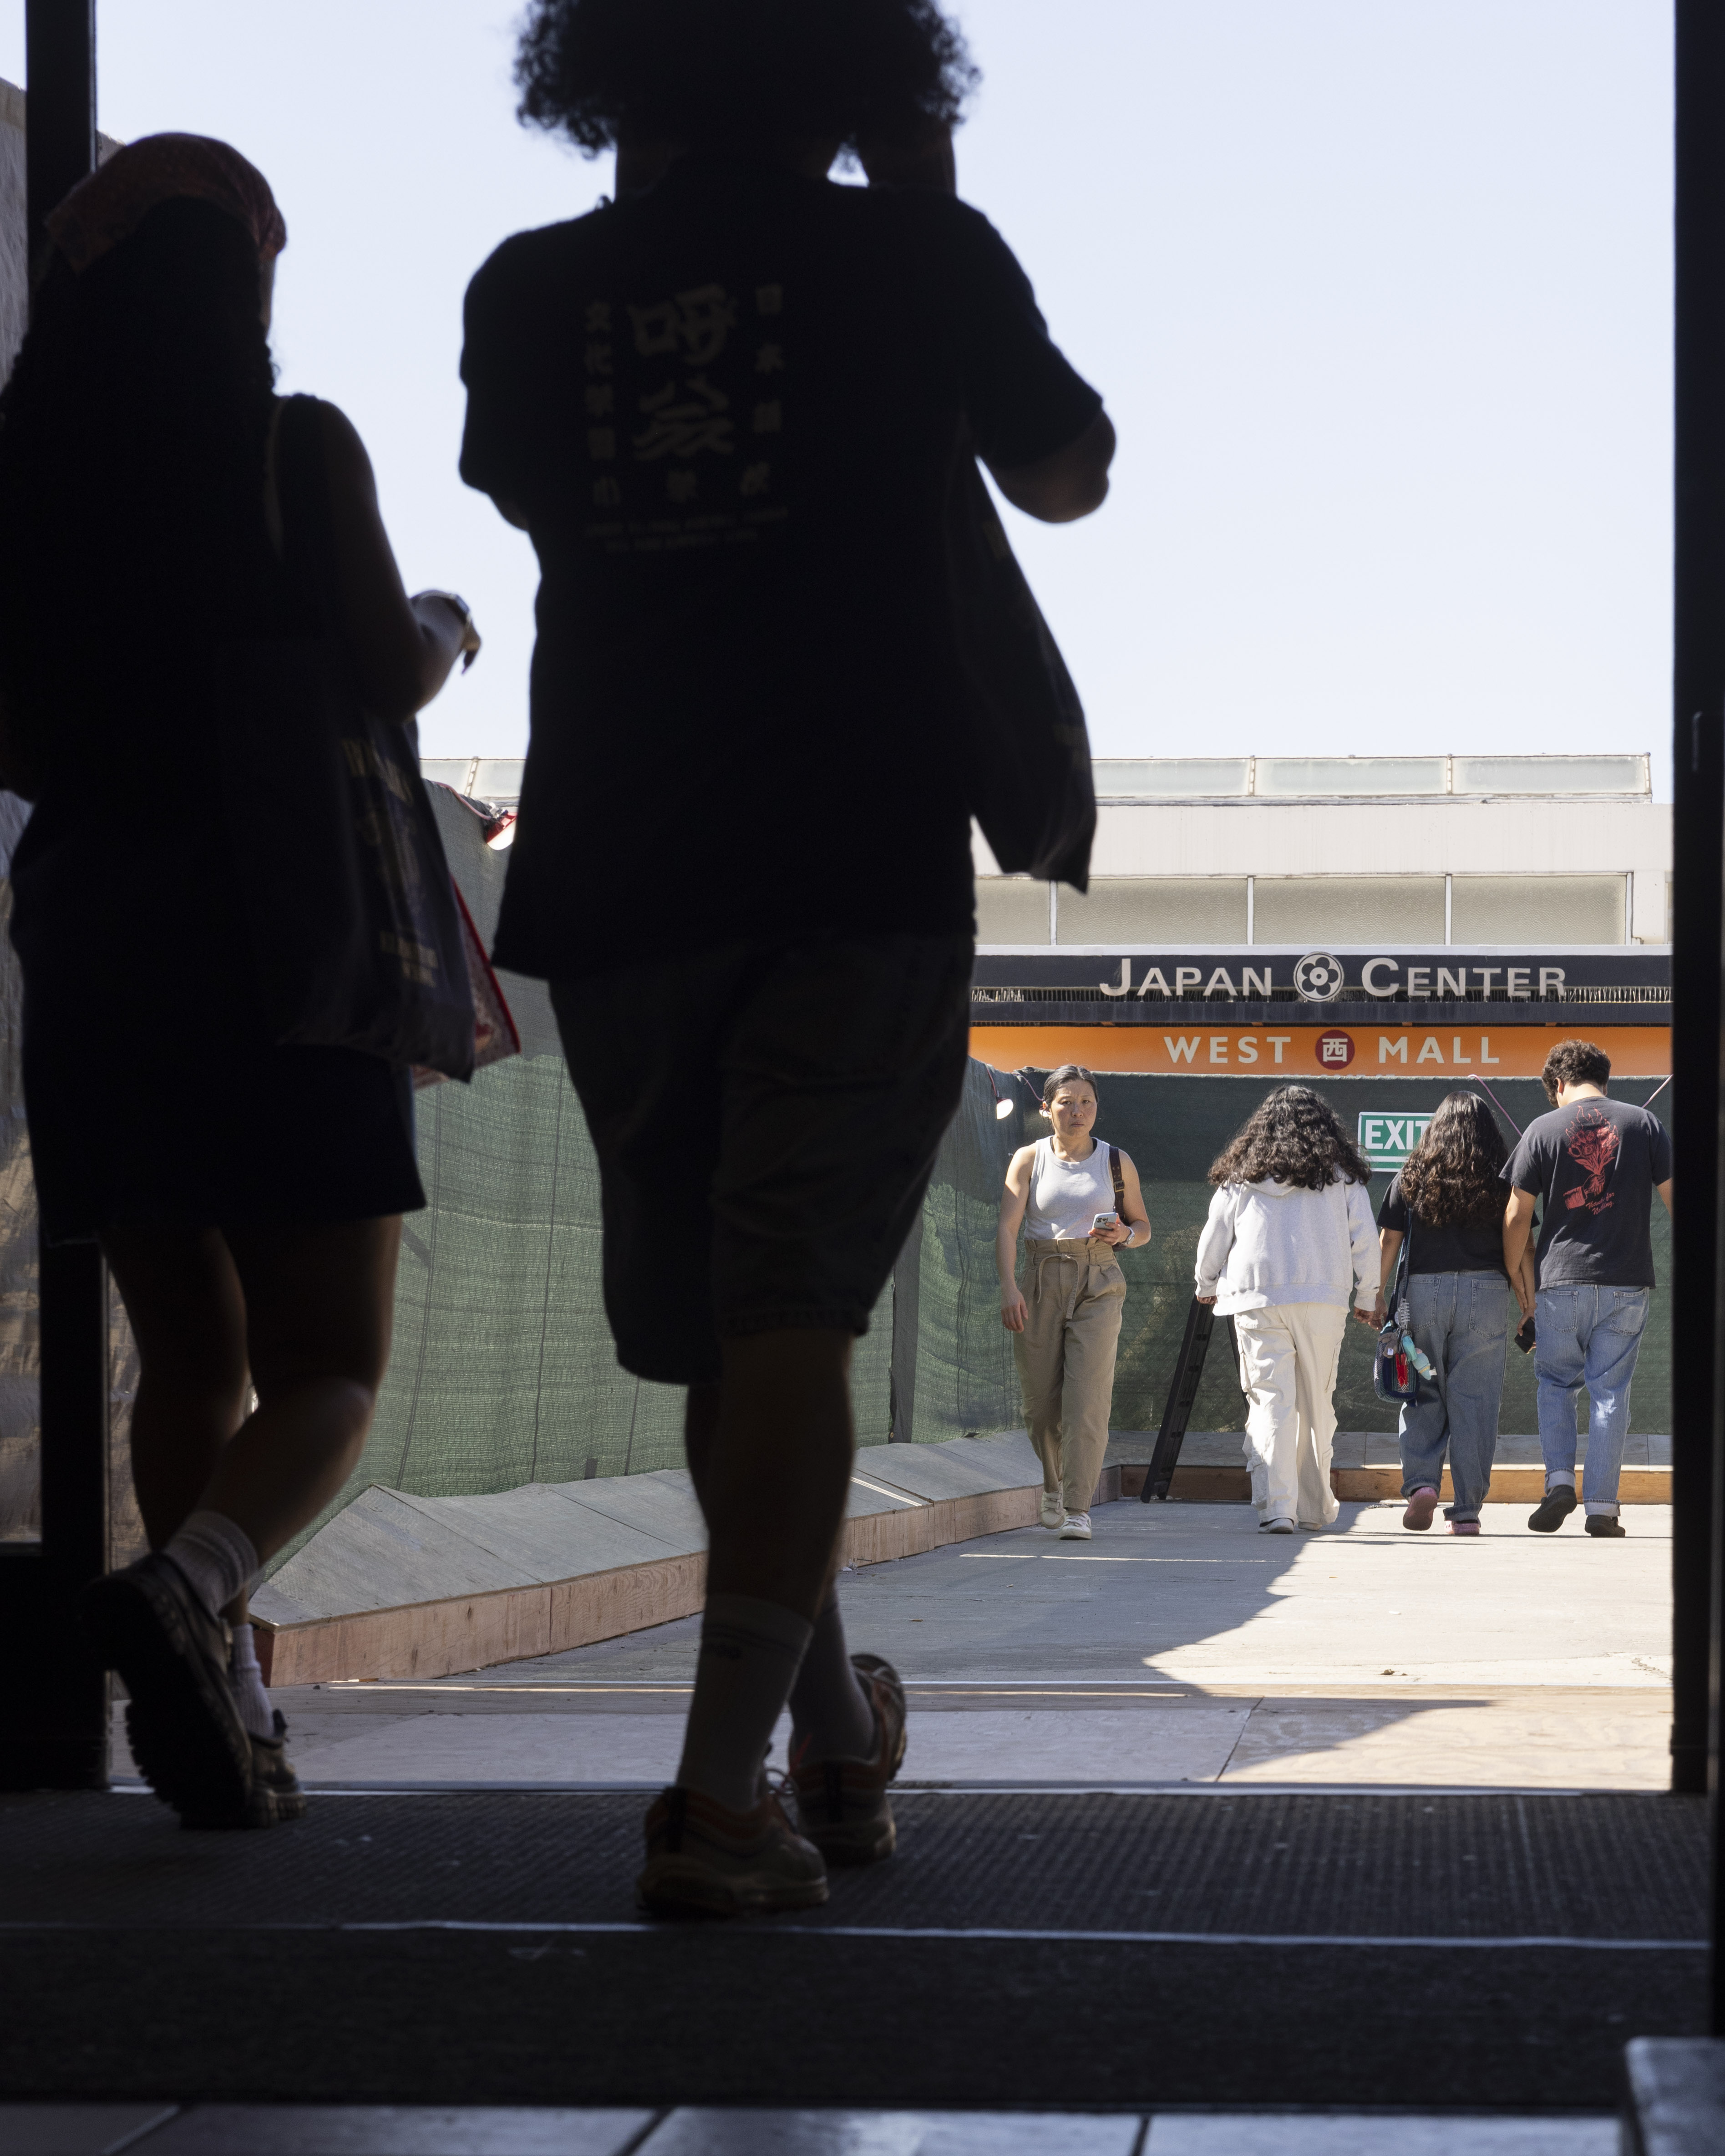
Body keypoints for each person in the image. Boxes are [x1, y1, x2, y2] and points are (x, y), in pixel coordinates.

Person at [461, 0, 1113, 1915]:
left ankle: (821, 1736)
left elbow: (523, 487)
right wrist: (921, 202)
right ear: (866, 75)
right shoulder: (916, 257)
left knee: (722, 1331)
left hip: (623, 864)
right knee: (786, 1316)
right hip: (853, 856)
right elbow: (1066, 473)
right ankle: (710, 1795)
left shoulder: (530, 291)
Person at [0, 137, 480, 1828]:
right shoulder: (294, 444)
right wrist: (448, 615)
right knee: (329, 1367)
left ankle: (234, 1707)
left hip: (91, 937)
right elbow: (381, 669)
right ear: (251, 281)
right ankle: (196, 1584)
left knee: (185, 1354)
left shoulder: (23, 475)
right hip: (285, 937)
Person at [1502, 1040, 1672, 1538]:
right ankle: (1602, 1507)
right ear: (1604, 1078)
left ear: (1557, 1084)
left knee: (1556, 1384)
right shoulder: (1643, 1125)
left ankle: (1559, 1480)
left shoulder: (1540, 1130)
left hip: (1559, 1284)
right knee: (1610, 1392)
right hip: (1627, 1283)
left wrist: (1516, 1273)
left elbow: (1516, 1215)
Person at [1195, 1086, 1377, 1533]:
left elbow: (1213, 1236)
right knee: (1317, 1402)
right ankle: (1314, 1508)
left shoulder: (1239, 1178)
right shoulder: (1342, 1178)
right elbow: (1366, 1240)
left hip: (1256, 1297)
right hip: (1323, 1298)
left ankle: (1279, 1507)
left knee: (1270, 1401)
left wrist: (1206, 1283)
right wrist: (1368, 1295)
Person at [997, 1065, 1148, 1540]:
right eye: (1066, 1102)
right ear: (1047, 1109)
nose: (1077, 1111)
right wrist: (1009, 1288)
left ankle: (1079, 1508)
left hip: (1099, 1279)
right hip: (1039, 1278)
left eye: (1086, 1102)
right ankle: (1053, 1486)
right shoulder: (1028, 1158)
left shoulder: (1116, 1162)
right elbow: (1006, 1228)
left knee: (1087, 1399)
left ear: (1096, 1108)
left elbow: (1142, 1227)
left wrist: (1124, 1233)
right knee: (1041, 1405)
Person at [1375, 1092, 1532, 1536]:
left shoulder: (1413, 1173)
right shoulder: (1504, 1179)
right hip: (1486, 1293)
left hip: (1423, 1292)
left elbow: (1389, 1239)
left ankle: (1422, 1484)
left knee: (1422, 1388)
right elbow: (1522, 1246)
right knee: (1476, 1403)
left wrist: (1373, 1294)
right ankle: (1465, 1510)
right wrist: (1527, 1304)